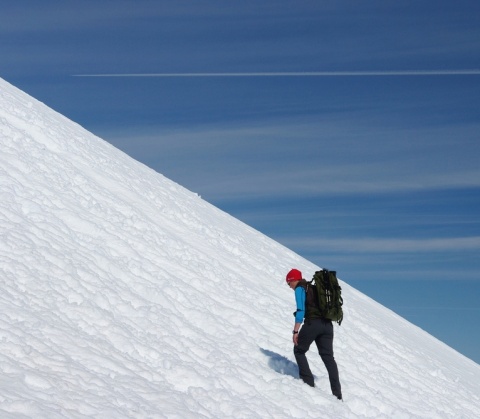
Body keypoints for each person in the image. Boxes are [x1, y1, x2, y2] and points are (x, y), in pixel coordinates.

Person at [286, 268, 343, 400]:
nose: (290, 287)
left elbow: (300, 310)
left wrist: (295, 331)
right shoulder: (314, 288)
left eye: (289, 284)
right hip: (327, 326)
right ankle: (338, 395)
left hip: (313, 324)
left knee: (299, 350)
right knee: (329, 358)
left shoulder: (300, 289)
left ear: (294, 280)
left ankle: (308, 384)